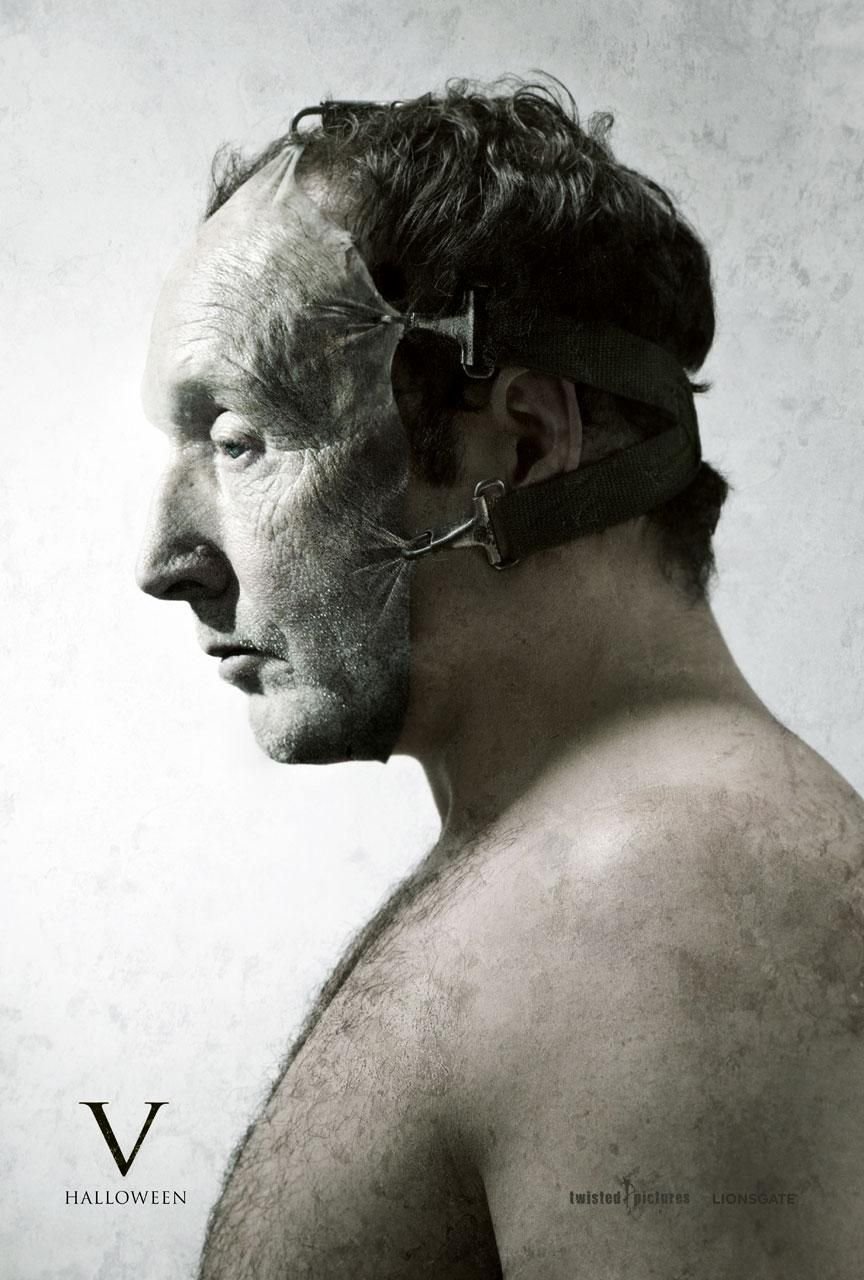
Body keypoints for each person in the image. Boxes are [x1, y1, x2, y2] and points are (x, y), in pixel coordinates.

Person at [136, 79, 864, 1279]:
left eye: (239, 438)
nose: (167, 563)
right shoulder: (583, 861)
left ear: (521, 444)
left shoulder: (662, 909)